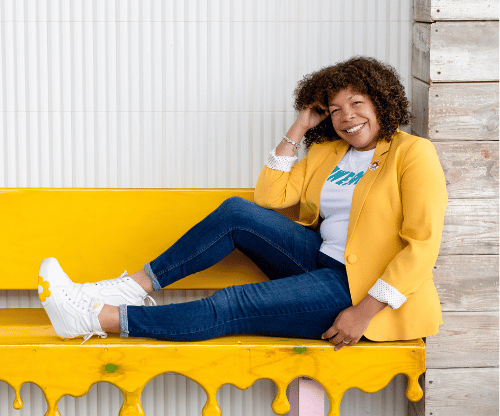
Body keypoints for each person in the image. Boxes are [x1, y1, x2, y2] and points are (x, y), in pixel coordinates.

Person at [38, 56, 448, 348]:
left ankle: (97, 317)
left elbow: (422, 246)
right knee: (238, 213)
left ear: (381, 100)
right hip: (320, 261)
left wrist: (364, 312)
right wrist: (300, 125)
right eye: (335, 109)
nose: (346, 117)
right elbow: (269, 196)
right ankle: (131, 287)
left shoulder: (411, 153)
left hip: (357, 289)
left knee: (234, 301)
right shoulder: (329, 153)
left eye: (357, 103)